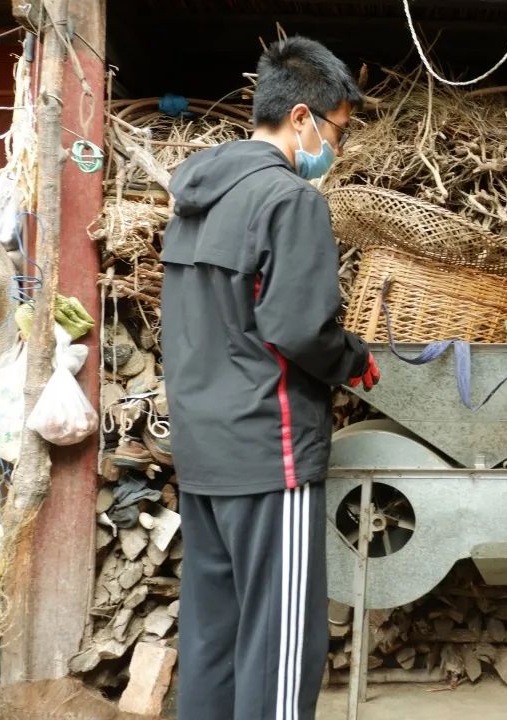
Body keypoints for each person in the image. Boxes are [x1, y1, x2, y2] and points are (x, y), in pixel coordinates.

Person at [160, 36, 380, 720]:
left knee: (213, 635)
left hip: (201, 447)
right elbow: (299, 327)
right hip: (267, 451)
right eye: (338, 129)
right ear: (303, 118)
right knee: (282, 642)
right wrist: (353, 359)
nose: (336, 147)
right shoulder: (290, 201)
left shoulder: (194, 198)